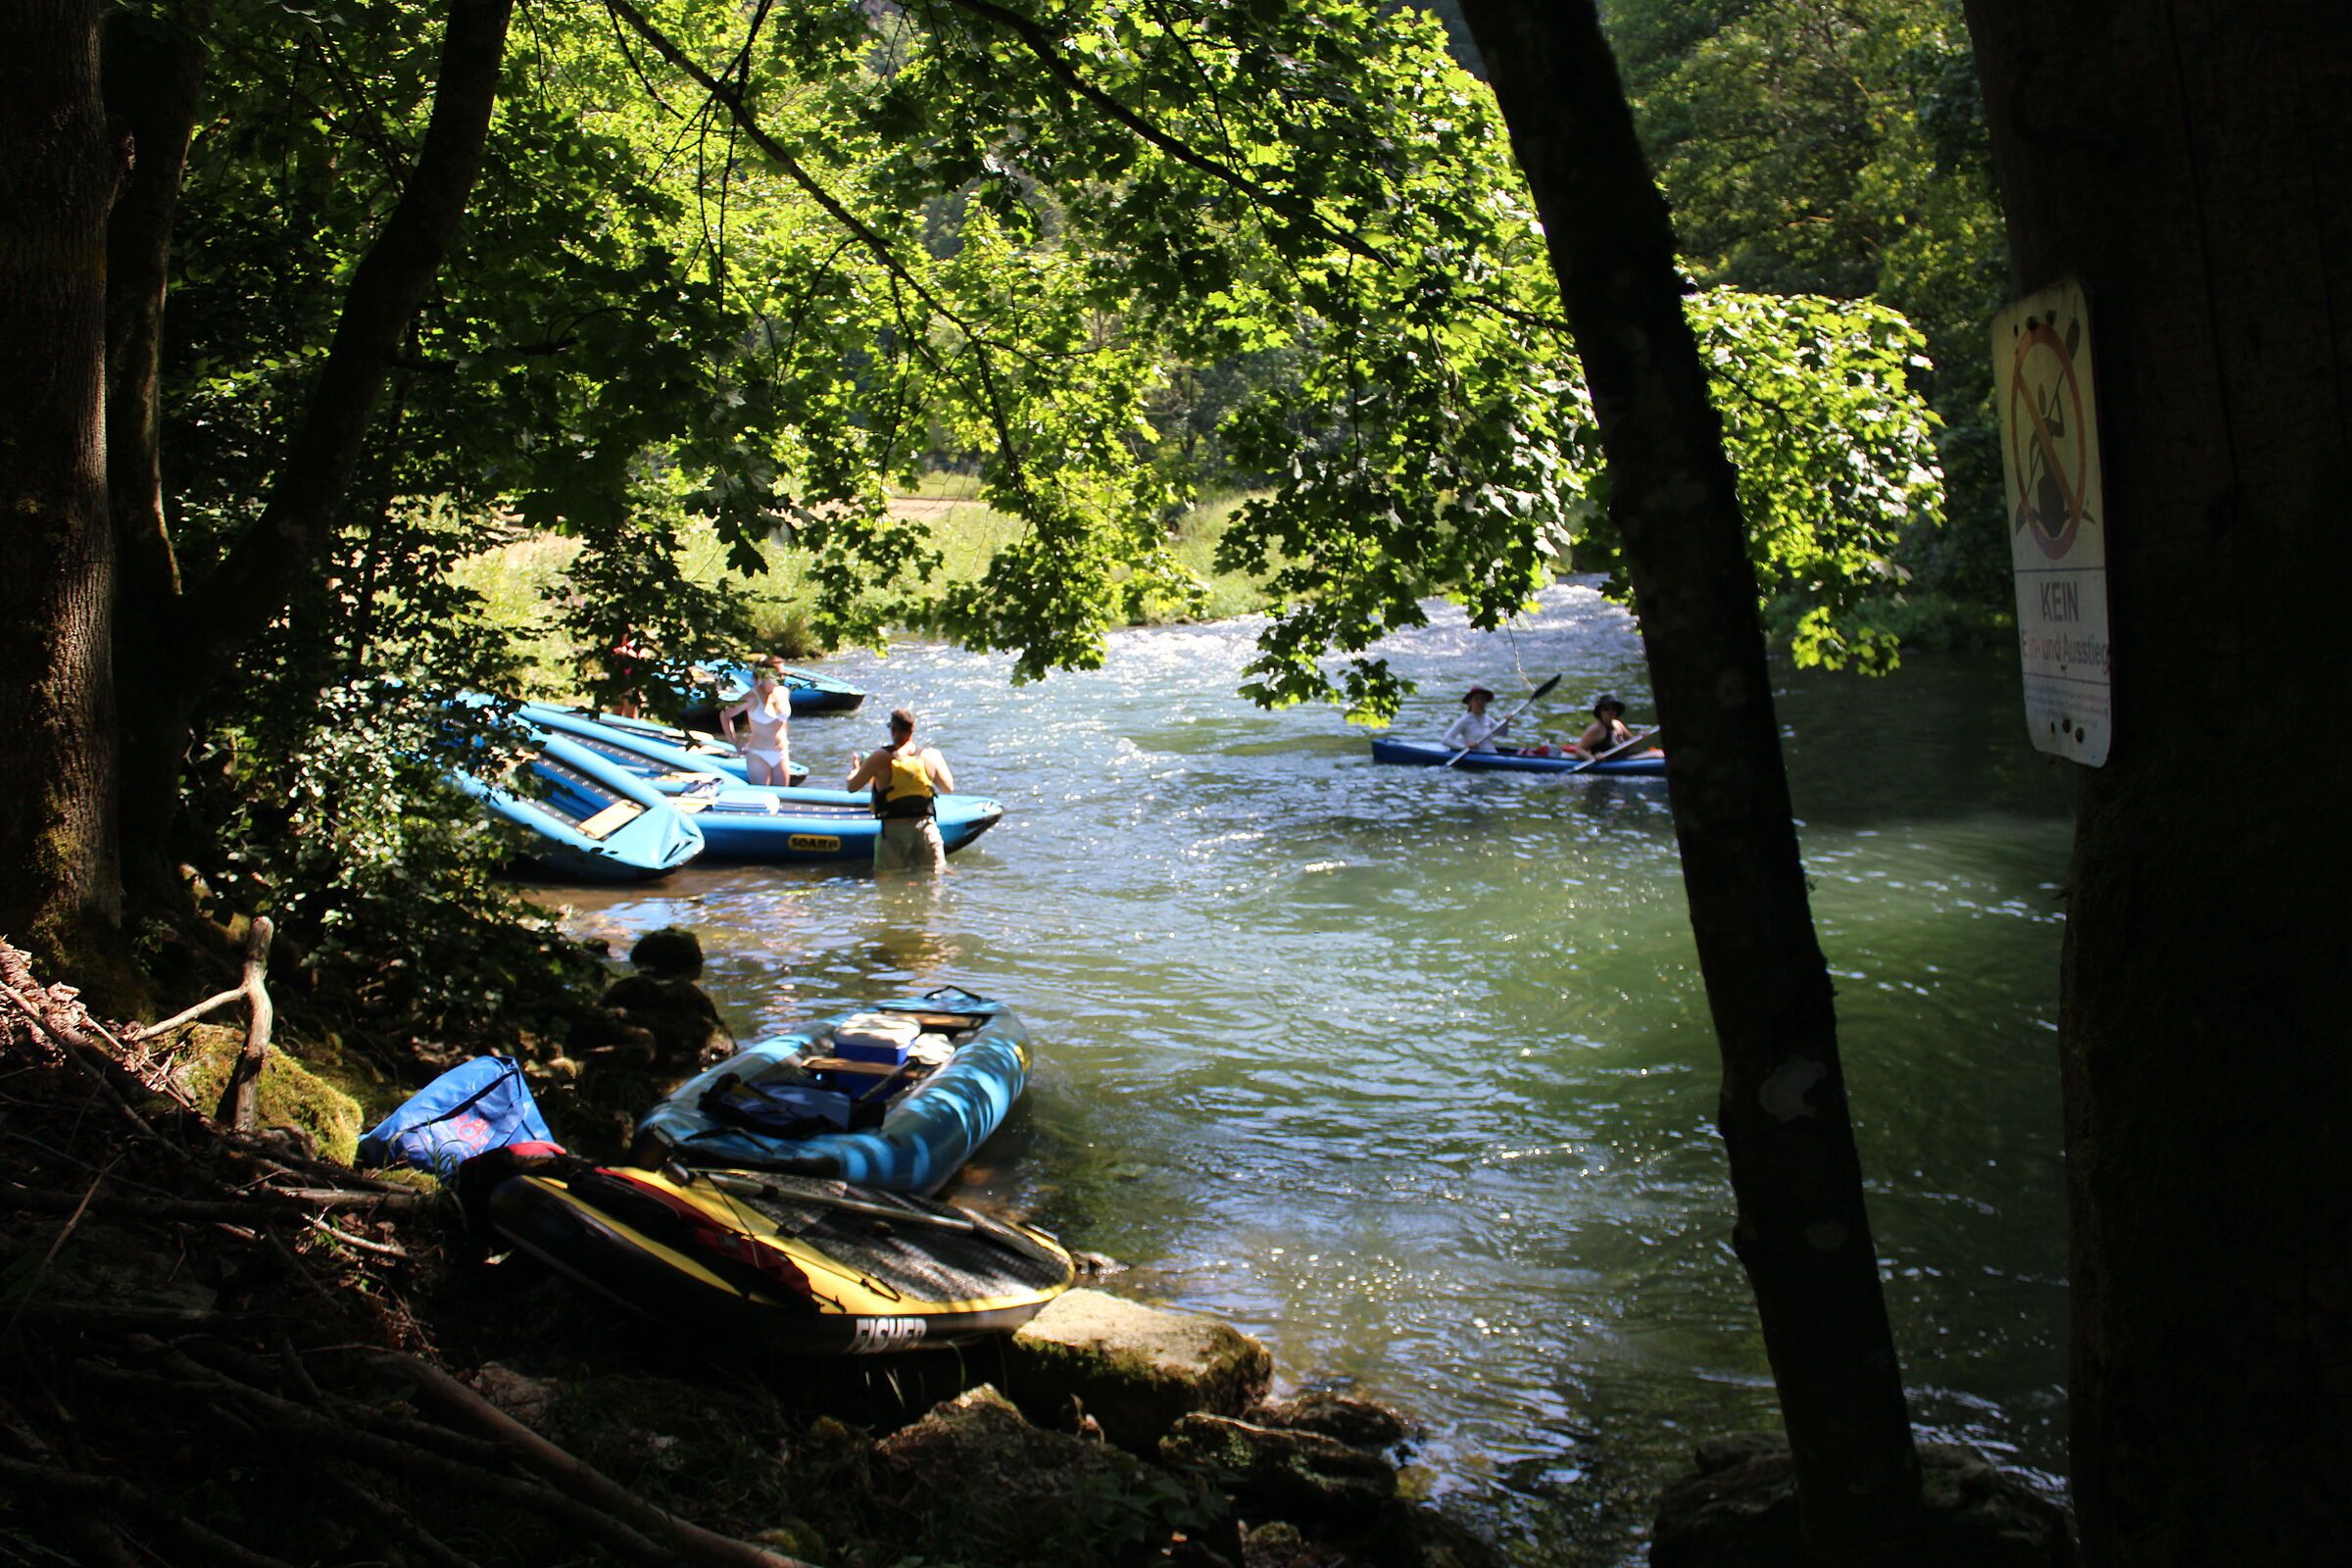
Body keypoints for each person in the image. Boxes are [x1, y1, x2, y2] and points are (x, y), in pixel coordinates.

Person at [846, 707, 956, 874]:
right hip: (926, 829)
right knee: (933, 882)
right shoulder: (931, 755)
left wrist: (855, 769)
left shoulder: (880, 757)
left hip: (893, 833)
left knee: (887, 881)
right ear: (913, 729)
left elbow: (852, 787)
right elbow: (948, 788)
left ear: (893, 730)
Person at [717, 659, 793, 785]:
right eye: (779, 673)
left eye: (783, 673)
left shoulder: (783, 692)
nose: (782, 677)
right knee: (761, 796)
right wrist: (734, 742)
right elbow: (725, 714)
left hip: (782, 753)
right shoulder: (752, 697)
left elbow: (782, 723)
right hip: (759, 754)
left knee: (782, 798)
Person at [1576, 694, 1654, 759]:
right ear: (1600, 712)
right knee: (1658, 755)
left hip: (1624, 758)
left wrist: (1641, 736)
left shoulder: (1618, 724)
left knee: (1660, 753)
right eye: (1606, 709)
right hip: (1611, 762)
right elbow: (1579, 749)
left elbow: (1632, 744)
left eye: (1613, 709)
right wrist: (1593, 757)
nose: (1610, 711)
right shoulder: (1596, 729)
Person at [1440, 686, 1513, 754]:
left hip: (1492, 754)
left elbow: (1503, 733)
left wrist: (1506, 722)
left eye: (1482, 700)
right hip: (1477, 755)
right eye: (1476, 699)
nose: (1480, 702)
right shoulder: (1465, 720)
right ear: (1470, 702)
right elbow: (1446, 740)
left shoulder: (1487, 718)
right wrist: (1465, 747)